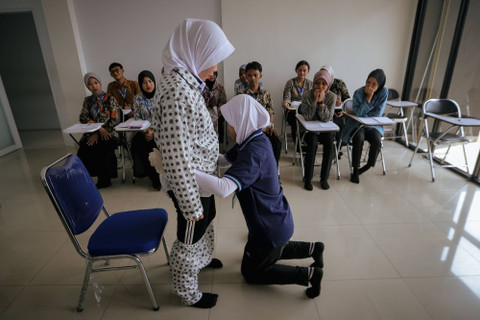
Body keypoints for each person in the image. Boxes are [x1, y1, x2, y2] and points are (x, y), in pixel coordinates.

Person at [192, 94, 324, 299]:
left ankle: (309, 274)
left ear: (241, 120)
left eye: (230, 123)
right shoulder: (252, 138)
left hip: (268, 228)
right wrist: (198, 155)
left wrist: (188, 172)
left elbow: (224, 188)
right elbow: (224, 160)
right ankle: (314, 249)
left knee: (251, 272)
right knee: (272, 250)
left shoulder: (253, 152)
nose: (229, 128)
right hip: (276, 219)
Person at [150, 18, 234, 309]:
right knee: (192, 230)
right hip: (191, 185)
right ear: (195, 53)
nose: (215, 69)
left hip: (202, 179)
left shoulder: (187, 83)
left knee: (206, 219)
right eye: (213, 60)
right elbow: (175, 157)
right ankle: (187, 292)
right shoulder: (176, 91)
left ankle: (202, 259)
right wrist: (190, 204)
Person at [341, 69, 388, 184]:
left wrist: (357, 111)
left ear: (380, 84)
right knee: (358, 139)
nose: (370, 86)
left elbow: (378, 113)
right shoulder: (359, 92)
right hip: (357, 124)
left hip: (373, 125)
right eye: (368, 82)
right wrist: (368, 98)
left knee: (377, 141)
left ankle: (368, 165)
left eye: (374, 84)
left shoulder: (384, 92)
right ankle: (356, 170)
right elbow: (359, 114)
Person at [77, 72, 119, 188]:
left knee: (102, 147)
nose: (94, 86)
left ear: (100, 83)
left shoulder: (110, 99)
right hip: (93, 133)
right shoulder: (87, 101)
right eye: (90, 84)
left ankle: (105, 179)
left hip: (109, 133)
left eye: (96, 83)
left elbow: (114, 119)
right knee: (84, 149)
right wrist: (97, 130)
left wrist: (101, 131)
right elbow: (83, 117)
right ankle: (86, 179)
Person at [298, 69, 337, 190]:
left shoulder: (332, 97)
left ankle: (324, 178)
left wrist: (322, 104)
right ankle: (308, 178)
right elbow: (308, 117)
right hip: (310, 130)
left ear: (328, 85)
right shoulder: (306, 95)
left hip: (325, 129)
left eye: (324, 83)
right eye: (317, 83)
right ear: (313, 83)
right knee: (312, 143)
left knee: (330, 144)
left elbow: (327, 119)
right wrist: (315, 101)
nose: (320, 86)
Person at [239, 61, 282, 166]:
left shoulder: (266, 94)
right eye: (249, 75)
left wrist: (270, 125)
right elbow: (240, 115)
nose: (252, 78)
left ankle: (273, 172)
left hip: (264, 128)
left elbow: (271, 111)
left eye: (255, 75)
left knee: (276, 143)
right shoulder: (241, 95)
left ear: (260, 76)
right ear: (246, 76)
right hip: (249, 130)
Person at [131, 70, 161, 190]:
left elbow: (164, 117)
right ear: (140, 84)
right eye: (144, 82)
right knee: (139, 144)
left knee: (155, 144)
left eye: (150, 81)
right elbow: (137, 118)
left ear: (154, 82)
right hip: (144, 131)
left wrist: (153, 132)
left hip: (160, 130)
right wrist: (145, 132)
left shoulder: (161, 95)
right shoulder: (137, 98)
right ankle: (154, 179)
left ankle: (162, 177)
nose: (148, 85)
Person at [282, 60, 313, 149]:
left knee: (309, 118)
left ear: (308, 71)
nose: (302, 73)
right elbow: (287, 96)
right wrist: (286, 103)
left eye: (304, 70)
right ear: (296, 70)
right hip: (293, 110)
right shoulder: (290, 82)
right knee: (295, 121)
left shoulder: (310, 84)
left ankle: (306, 142)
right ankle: (298, 145)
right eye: (300, 70)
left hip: (305, 110)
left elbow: (312, 99)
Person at [324, 66, 350, 155]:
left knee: (341, 124)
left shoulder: (339, 83)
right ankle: (331, 149)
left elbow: (348, 101)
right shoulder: (320, 83)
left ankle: (337, 149)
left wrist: (342, 103)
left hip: (339, 112)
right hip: (325, 113)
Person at [205, 71, 227, 144]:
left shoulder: (220, 87)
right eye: (210, 74)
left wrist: (216, 112)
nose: (212, 76)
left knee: (220, 120)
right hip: (204, 112)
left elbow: (223, 102)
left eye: (214, 74)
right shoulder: (202, 86)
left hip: (217, 112)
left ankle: (219, 143)